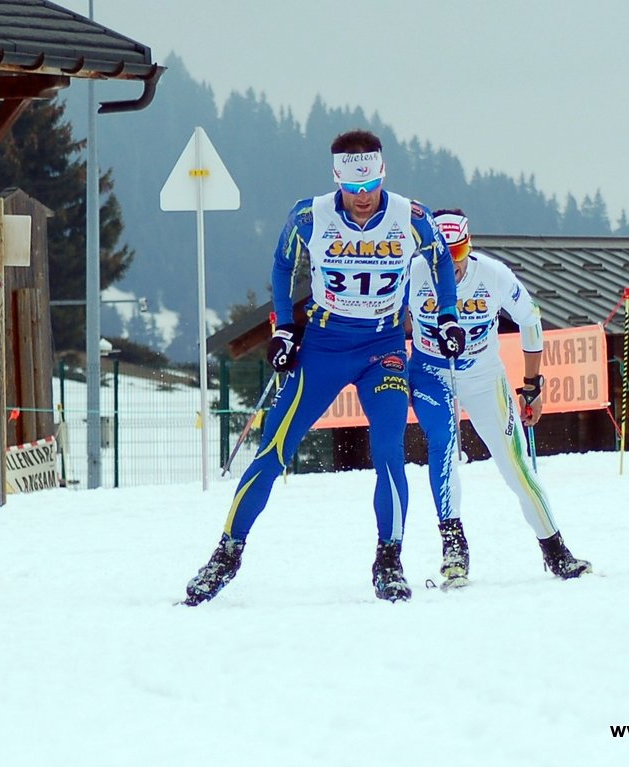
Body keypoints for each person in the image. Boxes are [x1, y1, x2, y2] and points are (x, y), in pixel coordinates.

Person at [182, 129, 464, 605]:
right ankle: (227, 553)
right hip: (325, 346)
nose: (361, 198)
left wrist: (448, 315)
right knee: (273, 448)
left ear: (382, 175)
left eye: (369, 186)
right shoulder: (308, 216)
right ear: (337, 180)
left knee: (390, 450)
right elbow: (280, 266)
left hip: (385, 348)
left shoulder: (410, 216)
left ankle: (389, 558)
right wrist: (285, 328)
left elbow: (439, 262)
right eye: (352, 189)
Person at [408, 209, 591, 587]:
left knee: (515, 465)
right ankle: (454, 548)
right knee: (443, 446)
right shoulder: (413, 272)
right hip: (431, 374)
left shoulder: (492, 274)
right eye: (440, 257)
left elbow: (530, 317)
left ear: (468, 248)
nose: (450, 267)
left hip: (483, 375)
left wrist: (532, 384)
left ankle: (555, 550)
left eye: (458, 256)